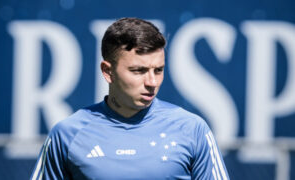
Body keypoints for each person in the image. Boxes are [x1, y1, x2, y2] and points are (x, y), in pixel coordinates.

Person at [31, 17, 230, 180]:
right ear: (108, 71)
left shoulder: (192, 129)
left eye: (158, 70)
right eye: (139, 71)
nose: (152, 82)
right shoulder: (67, 134)